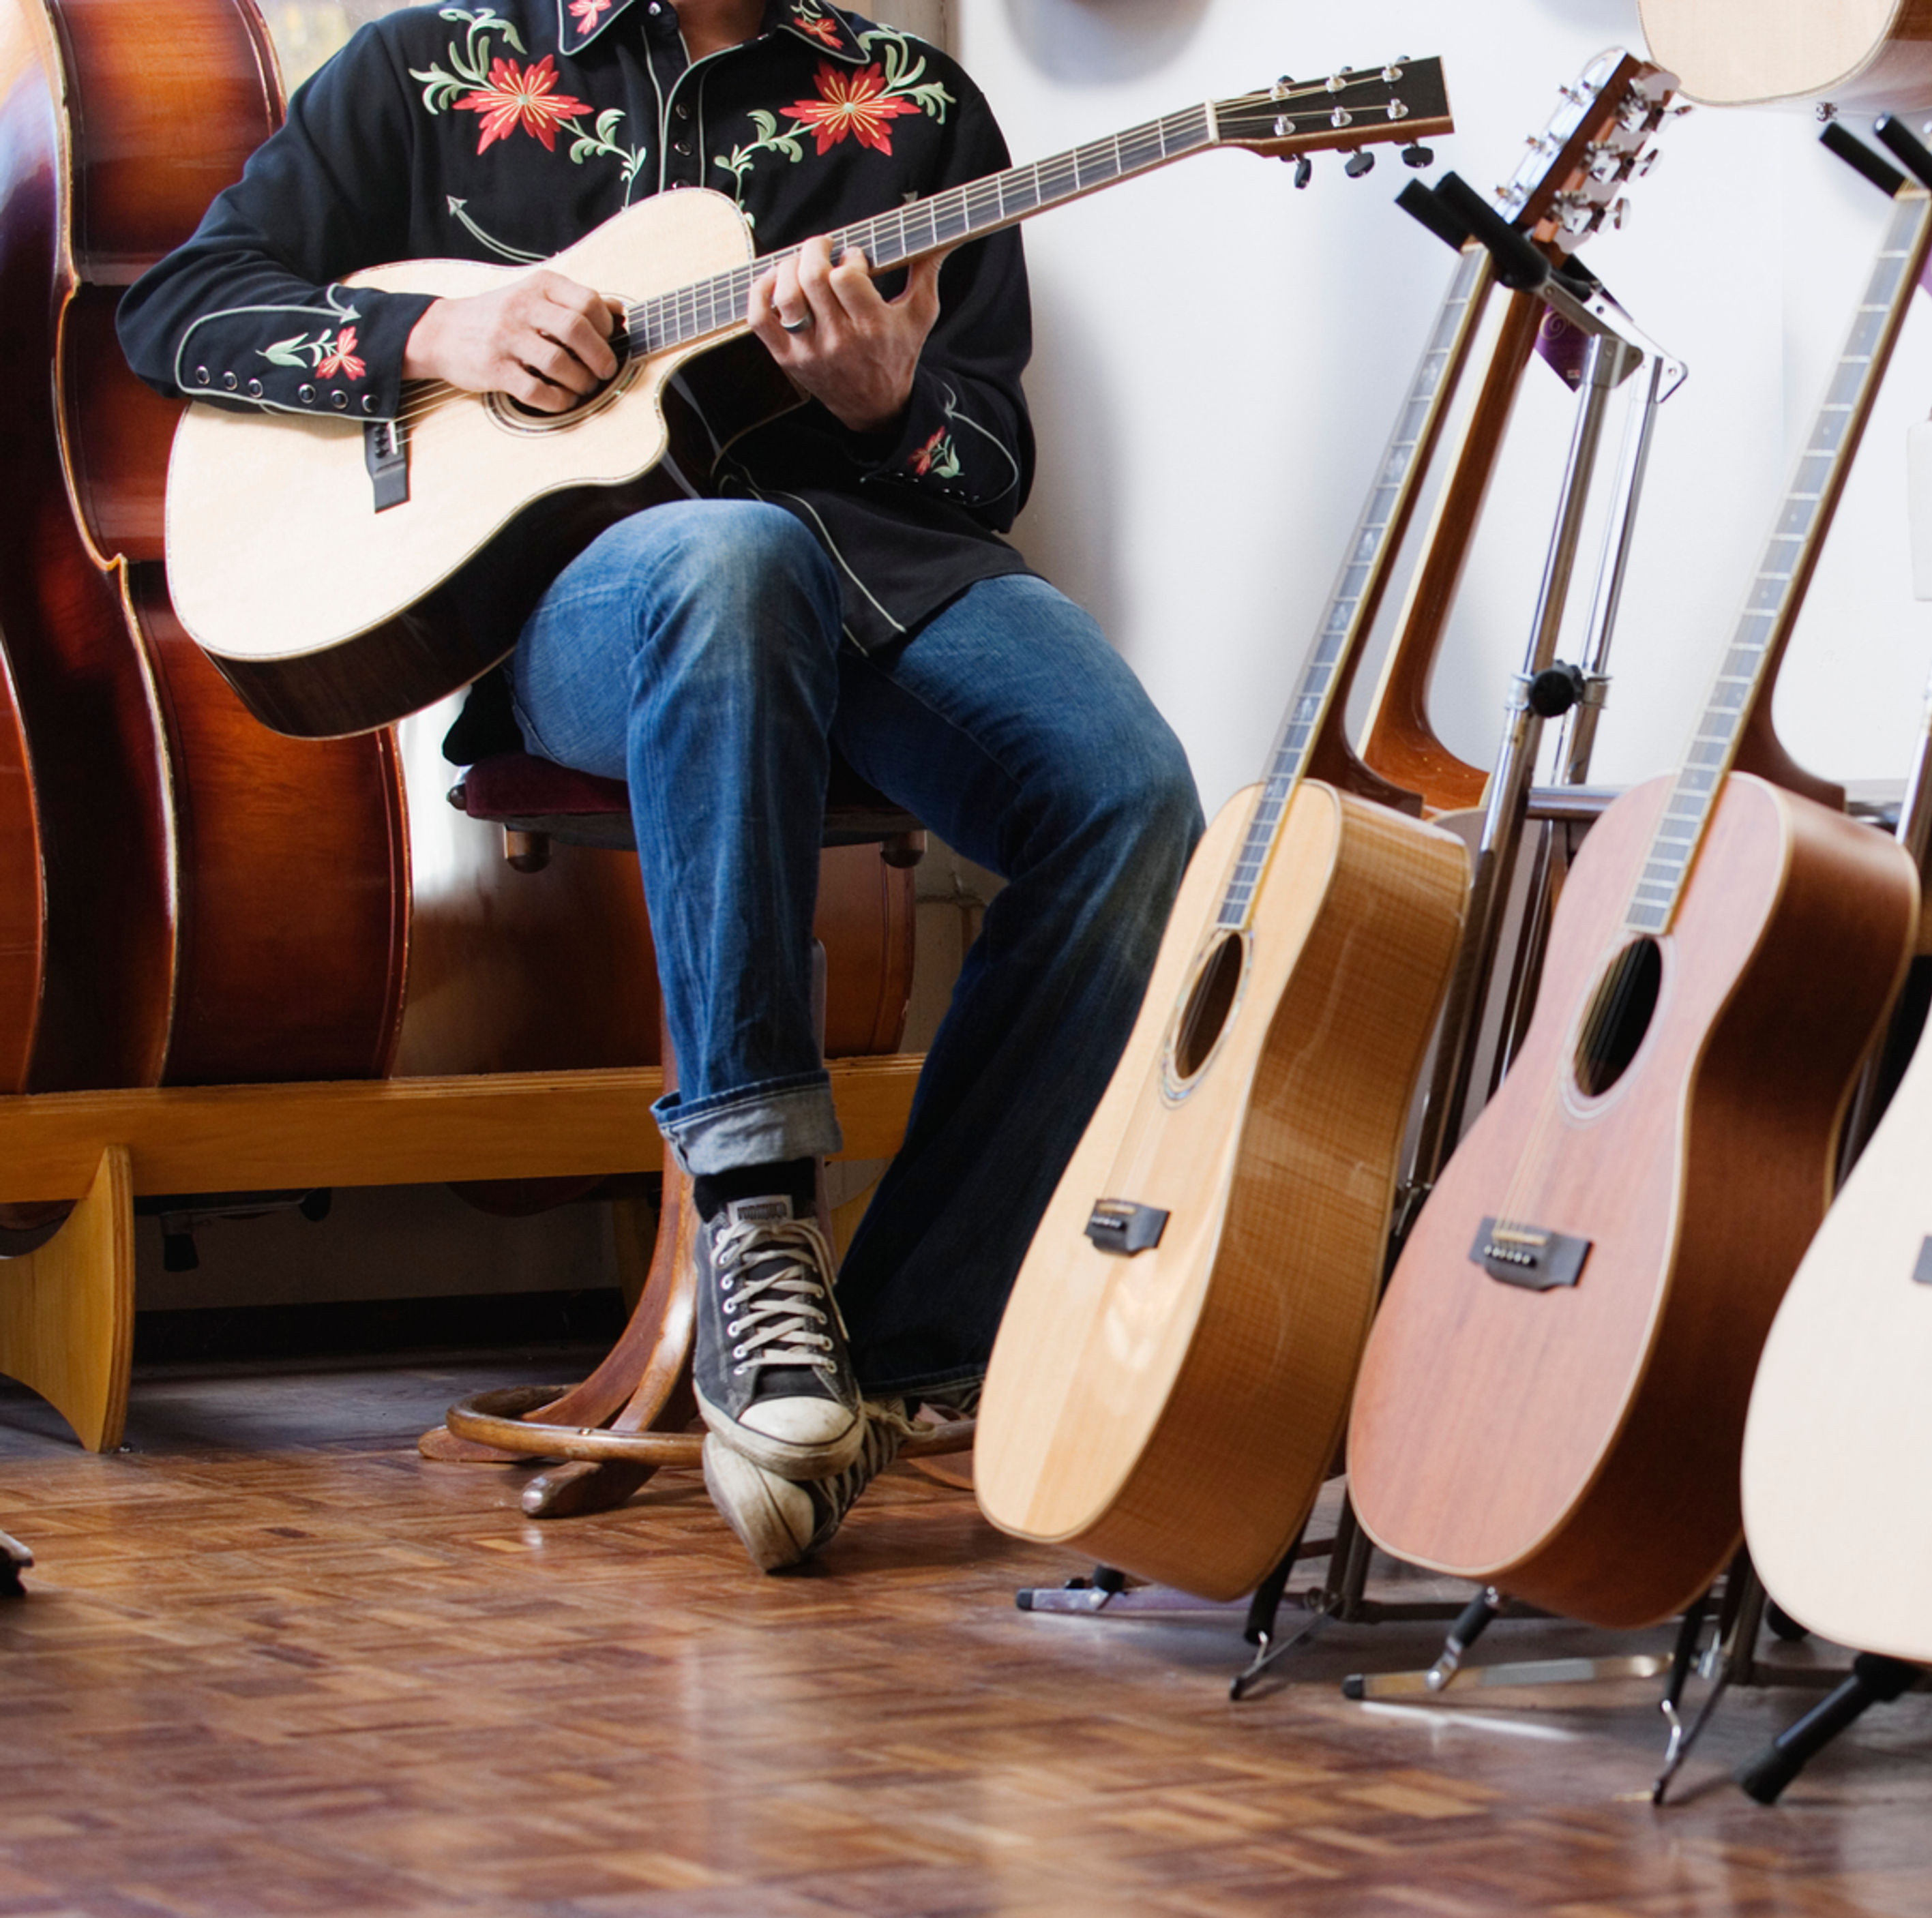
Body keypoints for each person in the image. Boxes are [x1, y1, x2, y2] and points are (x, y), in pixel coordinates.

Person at [121, 0, 1204, 1571]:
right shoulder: (432, 68)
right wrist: (441, 335)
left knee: (1128, 795)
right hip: (587, 611)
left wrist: (891, 401)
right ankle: (758, 1213)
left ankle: (898, 1347)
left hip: (886, 581)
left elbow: (988, 465)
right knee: (727, 550)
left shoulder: (907, 107)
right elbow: (182, 310)